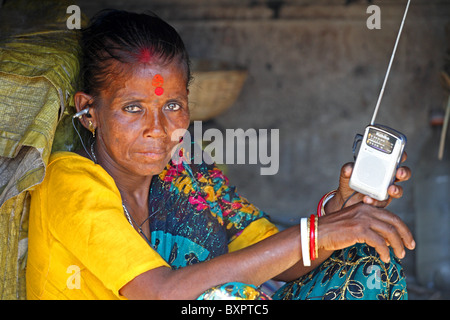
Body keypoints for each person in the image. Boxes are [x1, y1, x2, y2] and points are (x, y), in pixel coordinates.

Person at [26, 9, 415, 300]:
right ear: (89, 111)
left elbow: (286, 261)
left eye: (173, 106)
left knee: (366, 260)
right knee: (224, 300)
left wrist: (340, 215)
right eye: (132, 108)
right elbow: (162, 293)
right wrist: (319, 233)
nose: (159, 129)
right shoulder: (69, 183)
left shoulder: (187, 171)